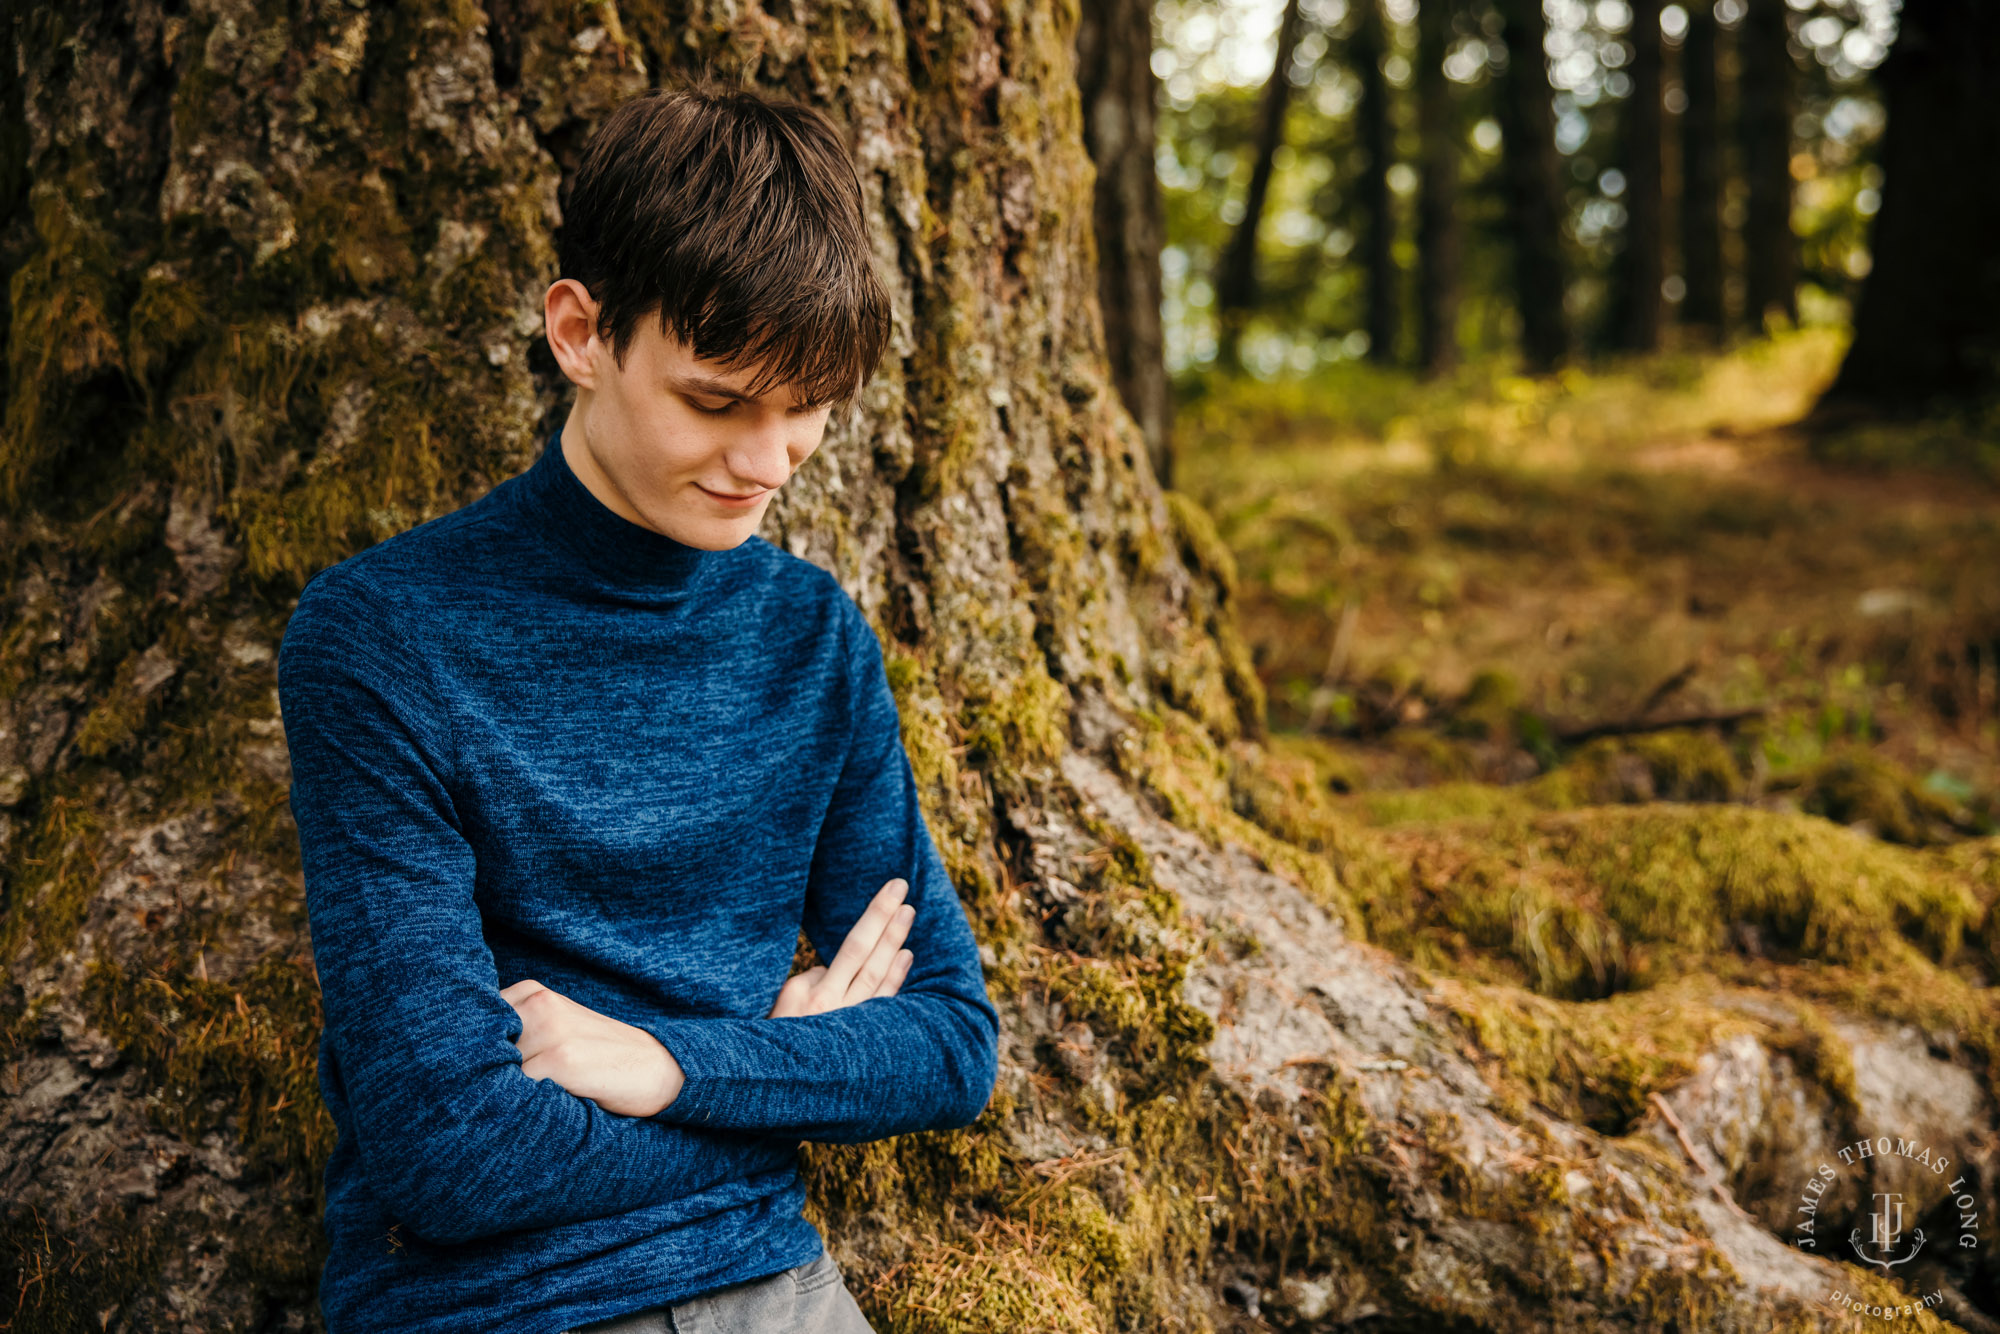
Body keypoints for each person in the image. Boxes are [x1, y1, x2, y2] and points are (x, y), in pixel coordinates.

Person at [276, 81, 1001, 1334]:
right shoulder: (380, 639)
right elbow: (450, 1148)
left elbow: (945, 1041)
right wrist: (784, 1090)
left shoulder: (811, 640)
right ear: (580, 333)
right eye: (717, 401)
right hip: (496, 1301)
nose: (767, 463)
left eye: (809, 410)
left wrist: (669, 1062)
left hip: (782, 1293)